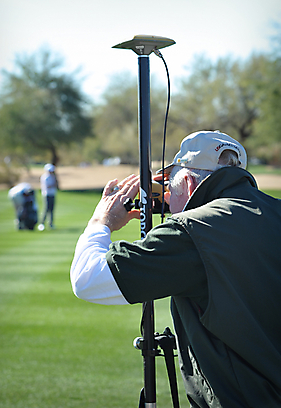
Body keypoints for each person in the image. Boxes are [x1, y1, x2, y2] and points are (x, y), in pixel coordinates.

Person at [70, 130, 281, 407]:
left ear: (190, 184)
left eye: (171, 186)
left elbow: (88, 279)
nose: (168, 200)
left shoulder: (192, 231)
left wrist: (101, 222)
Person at [38, 163, 59, 231]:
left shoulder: (53, 176)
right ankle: (42, 223)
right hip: (47, 194)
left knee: (52, 209)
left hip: (52, 194)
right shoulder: (45, 177)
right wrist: (54, 184)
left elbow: (56, 184)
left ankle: (51, 224)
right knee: (46, 209)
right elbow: (48, 186)